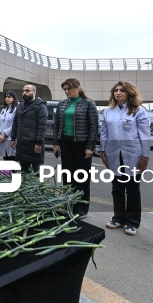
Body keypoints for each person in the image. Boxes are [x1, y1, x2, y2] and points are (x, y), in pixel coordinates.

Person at [100, 81, 151, 236]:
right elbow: (104, 132)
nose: (118, 93)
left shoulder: (139, 111)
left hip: (133, 154)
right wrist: (102, 150)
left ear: (129, 93)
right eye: (116, 90)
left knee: (133, 189)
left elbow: (145, 135)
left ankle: (132, 222)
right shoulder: (109, 111)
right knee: (117, 188)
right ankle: (118, 218)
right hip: (114, 153)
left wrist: (145, 156)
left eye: (122, 90)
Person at [52, 78, 98, 219]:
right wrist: (56, 143)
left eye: (69, 89)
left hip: (81, 144)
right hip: (65, 143)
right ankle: (68, 205)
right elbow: (56, 125)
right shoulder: (62, 104)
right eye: (64, 89)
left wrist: (90, 146)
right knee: (67, 175)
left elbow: (93, 127)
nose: (66, 91)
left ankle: (81, 208)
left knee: (81, 177)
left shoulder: (88, 104)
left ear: (77, 88)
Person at [11, 85, 48, 172]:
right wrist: (13, 138)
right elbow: (15, 122)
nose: (24, 93)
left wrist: (38, 143)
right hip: (22, 145)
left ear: (34, 92)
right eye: (23, 91)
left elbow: (42, 126)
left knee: (37, 173)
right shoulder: (20, 106)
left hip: (34, 145)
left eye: (27, 91)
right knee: (24, 171)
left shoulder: (40, 106)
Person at [0, 91, 18, 161]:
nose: (7, 98)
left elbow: (14, 124)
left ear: (14, 99)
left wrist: (5, 135)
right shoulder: (3, 110)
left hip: (10, 138)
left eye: (9, 97)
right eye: (6, 97)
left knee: (11, 160)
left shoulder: (16, 110)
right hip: (2, 138)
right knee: (5, 160)